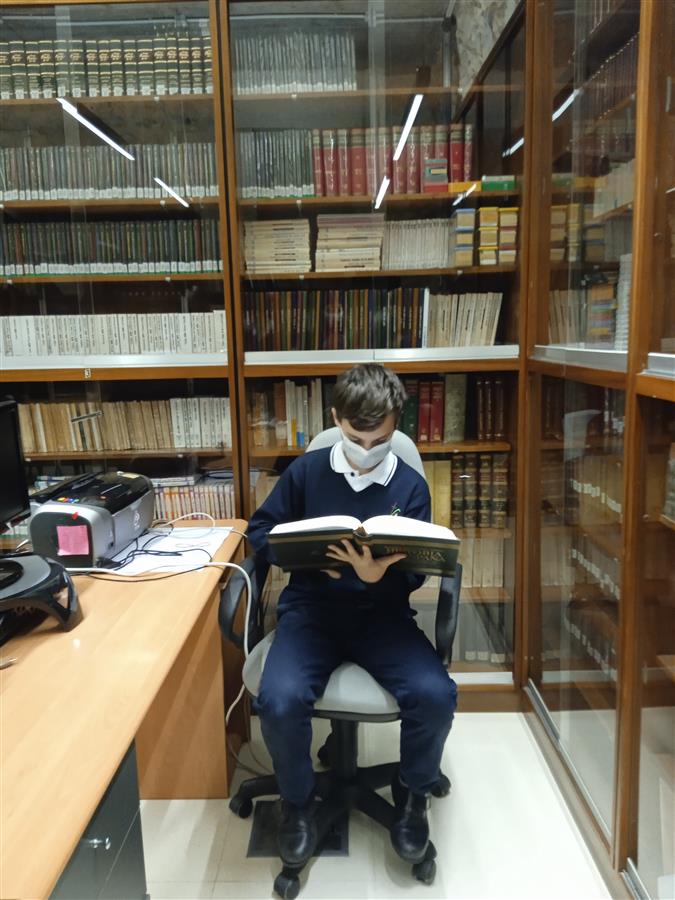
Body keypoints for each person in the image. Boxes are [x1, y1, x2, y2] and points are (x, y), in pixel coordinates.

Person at [247, 363, 458, 866]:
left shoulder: (410, 486)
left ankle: (413, 795)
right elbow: (260, 532)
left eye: (380, 440)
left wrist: (376, 576)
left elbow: (418, 571)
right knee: (279, 700)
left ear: (396, 426)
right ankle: (298, 804)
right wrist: (302, 557)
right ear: (336, 419)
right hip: (312, 612)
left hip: (382, 617)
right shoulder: (306, 472)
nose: (366, 451)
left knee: (435, 695)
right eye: (355, 438)